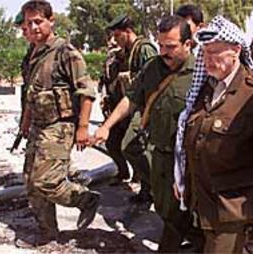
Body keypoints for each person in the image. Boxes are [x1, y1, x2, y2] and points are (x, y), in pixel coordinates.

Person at [173, 16, 253, 253]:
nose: (208, 60)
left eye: (216, 52)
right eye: (205, 53)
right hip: (204, 205)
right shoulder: (206, 88)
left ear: (236, 50)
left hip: (236, 212)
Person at [94, 15, 201, 252]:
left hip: (187, 161)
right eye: (161, 45)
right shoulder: (153, 67)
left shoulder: (202, 73)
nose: (164, 52)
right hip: (160, 156)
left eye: (171, 47)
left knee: (183, 216)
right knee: (164, 209)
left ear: (188, 44)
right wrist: (106, 127)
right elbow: (131, 99)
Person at [17, 0, 100, 247]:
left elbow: (86, 91)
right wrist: (25, 120)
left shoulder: (66, 52)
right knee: (31, 183)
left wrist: (83, 128)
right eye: (28, 22)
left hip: (59, 126)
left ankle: (85, 199)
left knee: (47, 181)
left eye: (38, 21)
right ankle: (48, 233)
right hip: (38, 126)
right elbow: (31, 94)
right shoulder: (31, 53)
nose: (33, 27)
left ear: (51, 21)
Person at [101, 15, 157, 202]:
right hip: (126, 105)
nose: (115, 40)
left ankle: (151, 187)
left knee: (131, 145)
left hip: (142, 106)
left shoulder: (144, 49)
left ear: (128, 32)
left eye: (117, 35)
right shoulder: (124, 53)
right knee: (112, 141)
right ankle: (126, 174)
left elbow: (152, 81)